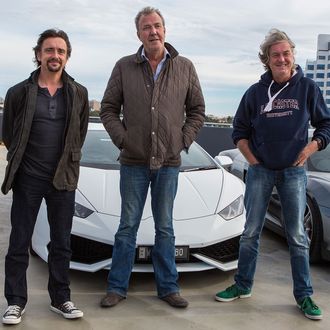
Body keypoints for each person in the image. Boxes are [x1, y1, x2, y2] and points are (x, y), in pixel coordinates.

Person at [215, 28, 330, 320]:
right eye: (275, 55)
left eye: (286, 53)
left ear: (292, 55)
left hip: (294, 174)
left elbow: (325, 125)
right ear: (267, 60)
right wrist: (253, 162)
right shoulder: (254, 93)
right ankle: (242, 285)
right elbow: (238, 132)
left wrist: (309, 150)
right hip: (261, 172)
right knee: (250, 232)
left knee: (297, 235)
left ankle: (304, 297)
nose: (281, 59)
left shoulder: (307, 88)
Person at [99, 6, 205, 309]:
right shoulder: (124, 66)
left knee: (165, 228)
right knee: (127, 226)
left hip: (169, 163)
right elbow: (108, 108)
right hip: (133, 162)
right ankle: (117, 287)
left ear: (165, 30)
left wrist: (182, 141)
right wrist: (124, 140)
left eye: (157, 26)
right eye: (146, 27)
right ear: (138, 34)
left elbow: (197, 110)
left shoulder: (184, 66)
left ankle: (168, 287)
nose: (153, 31)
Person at [1, 29, 89, 325]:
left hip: (62, 179)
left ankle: (60, 298)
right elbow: (9, 135)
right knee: (19, 241)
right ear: (38, 54)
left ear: (67, 56)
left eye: (60, 51)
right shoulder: (18, 92)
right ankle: (15, 301)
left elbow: (80, 134)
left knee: (61, 242)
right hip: (28, 178)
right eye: (49, 50)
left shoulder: (79, 93)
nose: (55, 55)